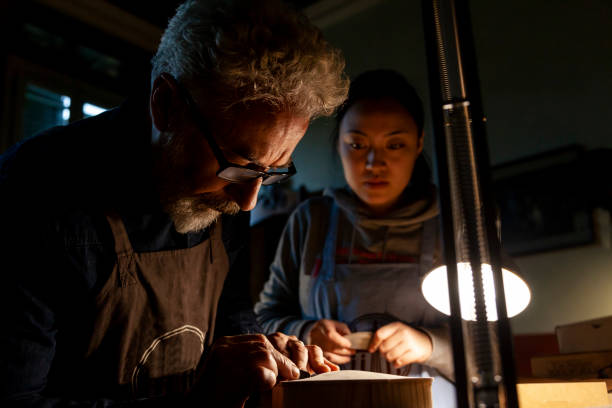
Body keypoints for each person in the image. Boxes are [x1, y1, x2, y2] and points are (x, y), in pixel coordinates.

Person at [0, 0, 349, 406]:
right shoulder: (33, 196)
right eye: (240, 166)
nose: (249, 201)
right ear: (165, 104)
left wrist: (261, 354)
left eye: (273, 171)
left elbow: (229, 306)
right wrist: (198, 402)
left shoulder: (226, 193)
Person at [255, 69, 456, 406]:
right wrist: (306, 332)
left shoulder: (453, 226)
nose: (374, 163)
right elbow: (263, 319)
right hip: (328, 398)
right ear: (339, 144)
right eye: (357, 144)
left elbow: (490, 341)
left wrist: (429, 344)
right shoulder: (311, 219)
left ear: (418, 143)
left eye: (395, 144)